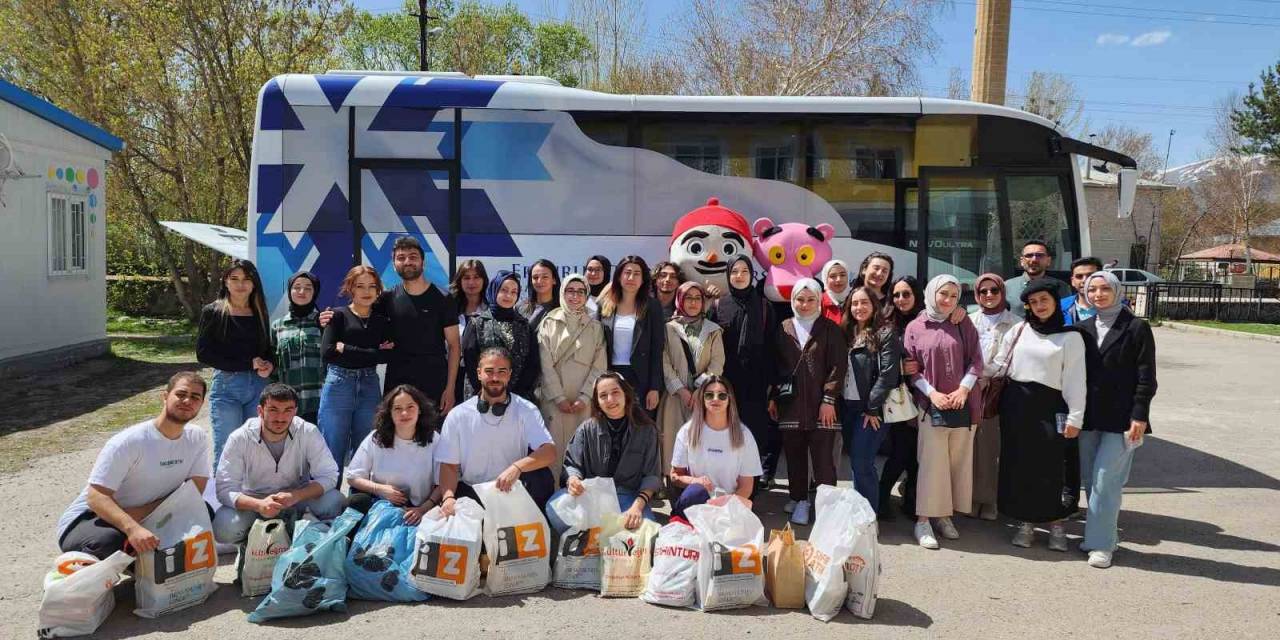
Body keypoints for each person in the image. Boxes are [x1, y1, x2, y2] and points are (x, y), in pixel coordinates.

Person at [57, 372, 212, 559]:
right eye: (181, 394)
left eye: (195, 397)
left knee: (204, 512)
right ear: (165, 396)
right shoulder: (130, 441)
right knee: (108, 541)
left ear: (201, 404)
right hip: (94, 518)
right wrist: (133, 527)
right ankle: (78, 572)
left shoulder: (197, 438)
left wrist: (142, 514)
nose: (187, 400)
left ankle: (144, 568)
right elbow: (96, 497)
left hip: (144, 514)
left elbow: (194, 489)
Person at [993, 279, 1089, 552]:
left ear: (1055, 302)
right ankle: (1026, 523)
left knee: (1052, 466)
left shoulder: (1071, 337)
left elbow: (1075, 381)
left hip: (1051, 407)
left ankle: (1056, 524)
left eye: (1044, 300)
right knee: (1020, 465)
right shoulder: (1019, 330)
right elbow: (999, 365)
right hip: (1017, 407)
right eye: (1033, 303)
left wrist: (1075, 418)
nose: (1039, 306)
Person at [1077, 271, 1157, 568]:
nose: (1098, 294)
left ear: (1116, 291)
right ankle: (1103, 534)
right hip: (1087, 416)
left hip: (1123, 418)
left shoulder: (1136, 328)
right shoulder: (1081, 328)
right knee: (1090, 479)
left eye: (1104, 289)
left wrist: (1140, 415)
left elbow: (1146, 376)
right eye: (1092, 289)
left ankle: (1100, 545)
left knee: (1105, 480)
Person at [903, 274, 983, 549]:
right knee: (931, 466)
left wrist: (963, 390)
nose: (948, 300)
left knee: (955, 464)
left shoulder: (963, 322)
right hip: (930, 407)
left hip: (963, 406)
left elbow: (976, 361)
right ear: (931, 293)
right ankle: (923, 520)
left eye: (953, 296)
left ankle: (944, 516)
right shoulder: (916, 326)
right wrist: (933, 393)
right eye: (943, 294)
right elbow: (912, 369)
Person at [213, 384, 344, 544]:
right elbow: (224, 489)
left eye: (288, 410)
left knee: (336, 501)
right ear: (260, 411)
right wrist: (259, 505)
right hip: (255, 502)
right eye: (273, 410)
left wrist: (296, 496)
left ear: (295, 411)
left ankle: (293, 532)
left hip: (295, 498)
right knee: (223, 528)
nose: (280, 418)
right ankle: (253, 545)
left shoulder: (308, 431)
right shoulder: (240, 437)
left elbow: (329, 475)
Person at [437, 347, 558, 512]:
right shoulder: (458, 415)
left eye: (501, 371)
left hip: (512, 491)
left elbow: (549, 452)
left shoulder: (526, 409)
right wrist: (448, 498)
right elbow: (449, 466)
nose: (495, 377)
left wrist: (517, 467)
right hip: (473, 495)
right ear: (479, 373)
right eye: (489, 371)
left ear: (509, 375)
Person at [768, 278, 847, 526]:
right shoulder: (783, 328)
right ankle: (800, 499)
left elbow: (838, 366)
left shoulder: (829, 329)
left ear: (818, 301)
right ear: (792, 301)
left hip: (821, 406)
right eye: (800, 299)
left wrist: (828, 400)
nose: (804, 304)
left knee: (823, 459)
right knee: (794, 455)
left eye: (811, 299)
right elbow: (776, 367)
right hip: (790, 404)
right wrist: (773, 397)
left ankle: (827, 507)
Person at [547, 373, 662, 532]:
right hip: (591, 495)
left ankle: (598, 533)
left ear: (626, 395)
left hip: (629, 497)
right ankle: (591, 537)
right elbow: (572, 464)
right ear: (597, 403)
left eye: (615, 392)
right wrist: (573, 479)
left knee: (647, 530)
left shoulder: (647, 430)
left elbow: (652, 476)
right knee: (554, 507)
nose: (610, 399)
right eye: (603, 395)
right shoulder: (586, 429)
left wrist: (637, 507)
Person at [318, 265, 394, 474]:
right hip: (339, 383)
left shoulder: (381, 321)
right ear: (350, 288)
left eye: (372, 286)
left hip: (369, 383)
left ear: (378, 289)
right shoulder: (337, 316)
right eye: (360, 286)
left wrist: (347, 348)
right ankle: (330, 499)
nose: (366, 291)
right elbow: (328, 352)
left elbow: (387, 355)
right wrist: (372, 352)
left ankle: (358, 498)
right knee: (333, 443)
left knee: (366, 444)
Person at [198, 259, 274, 466]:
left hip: (258, 386)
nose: (241, 284)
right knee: (227, 447)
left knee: (256, 446)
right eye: (235, 279)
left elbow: (266, 349)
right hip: (226, 387)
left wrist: (269, 364)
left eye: (246, 279)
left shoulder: (259, 311)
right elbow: (204, 354)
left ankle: (252, 496)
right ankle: (222, 498)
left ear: (254, 283)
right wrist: (247, 363)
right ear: (225, 282)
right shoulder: (213, 312)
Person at [711, 256, 779, 487]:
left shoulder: (764, 306)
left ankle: (750, 486)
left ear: (751, 275)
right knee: (724, 433)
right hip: (726, 383)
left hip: (756, 385)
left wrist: (772, 388)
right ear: (728, 276)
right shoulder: (719, 305)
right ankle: (725, 482)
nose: (739, 276)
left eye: (744, 271)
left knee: (753, 436)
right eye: (734, 272)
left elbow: (772, 348)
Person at [376, 236, 461, 413]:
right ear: (394, 265)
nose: (407, 262)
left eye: (413, 257)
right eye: (401, 258)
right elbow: (361, 320)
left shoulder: (444, 298)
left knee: (432, 439)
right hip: (397, 384)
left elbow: (454, 346)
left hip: (434, 383)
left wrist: (450, 388)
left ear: (423, 262)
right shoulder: (386, 299)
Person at [536, 274, 608, 480]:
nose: (575, 296)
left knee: (582, 451)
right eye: (570, 291)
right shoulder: (549, 322)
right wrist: (558, 397)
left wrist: (585, 397)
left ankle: (578, 498)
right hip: (554, 400)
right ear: (562, 293)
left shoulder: (595, 327)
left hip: (582, 401)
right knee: (553, 449)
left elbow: (599, 365)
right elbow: (544, 363)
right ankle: (552, 496)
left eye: (580, 291)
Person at [345, 385, 445, 525]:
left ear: (420, 409)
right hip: (379, 504)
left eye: (410, 407)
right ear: (389, 413)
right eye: (397, 408)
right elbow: (352, 477)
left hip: (416, 509)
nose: (404, 413)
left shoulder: (434, 439)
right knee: (356, 501)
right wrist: (380, 489)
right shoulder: (376, 438)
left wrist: (423, 509)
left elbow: (443, 483)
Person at [840, 286, 900, 512]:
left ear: (875, 305)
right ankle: (860, 511)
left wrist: (872, 408)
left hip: (871, 410)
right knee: (857, 462)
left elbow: (887, 375)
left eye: (864, 302)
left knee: (862, 461)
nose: (859, 307)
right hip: (848, 406)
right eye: (854, 303)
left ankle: (869, 517)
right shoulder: (846, 331)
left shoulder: (885, 333)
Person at [669, 377, 762, 520]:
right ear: (702, 398)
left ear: (729, 399)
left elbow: (746, 486)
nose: (715, 399)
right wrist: (696, 481)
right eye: (709, 395)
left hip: (729, 506)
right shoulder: (687, 431)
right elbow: (675, 476)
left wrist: (725, 507)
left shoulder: (744, 435)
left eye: (722, 395)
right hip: (697, 503)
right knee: (695, 491)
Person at [659, 281, 726, 476]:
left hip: (703, 396)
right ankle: (672, 484)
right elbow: (663, 361)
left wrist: (699, 389)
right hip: (674, 395)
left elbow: (717, 362)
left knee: (700, 441)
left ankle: (699, 484)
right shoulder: (668, 328)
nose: (694, 303)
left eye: (698, 298)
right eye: (688, 298)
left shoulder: (713, 330)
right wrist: (681, 390)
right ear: (680, 300)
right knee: (672, 441)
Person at [968, 273, 1020, 521]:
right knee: (970, 448)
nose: (988, 295)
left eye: (994, 290)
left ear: (1002, 292)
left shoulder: (1017, 324)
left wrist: (978, 373)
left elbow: (1006, 360)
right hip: (968, 390)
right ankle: (969, 497)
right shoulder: (968, 320)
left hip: (997, 392)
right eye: (983, 291)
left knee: (991, 448)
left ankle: (988, 500)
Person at [878, 275, 924, 519]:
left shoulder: (927, 321)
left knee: (918, 455)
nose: (901, 299)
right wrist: (899, 367)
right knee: (900, 451)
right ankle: (882, 498)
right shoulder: (887, 323)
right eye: (896, 294)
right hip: (898, 398)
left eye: (906, 294)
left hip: (924, 395)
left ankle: (911, 500)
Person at [598, 255, 666, 415]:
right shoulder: (605, 305)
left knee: (639, 427)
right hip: (611, 375)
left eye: (637, 273)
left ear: (643, 279)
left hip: (640, 379)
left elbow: (657, 349)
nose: (631, 277)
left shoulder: (652, 306)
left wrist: (654, 387)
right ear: (619, 276)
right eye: (627, 272)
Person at [462, 270, 538, 400]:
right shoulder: (477, 323)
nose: (509, 295)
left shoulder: (524, 325)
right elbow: (470, 361)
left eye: (514, 292)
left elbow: (532, 363)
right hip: (482, 395)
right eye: (504, 290)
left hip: (518, 398)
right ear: (494, 290)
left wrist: (514, 394)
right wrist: (486, 392)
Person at [271, 271, 324, 424]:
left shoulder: (324, 323)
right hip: (287, 406)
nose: (302, 292)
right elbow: (274, 365)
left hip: (319, 404)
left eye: (308, 288)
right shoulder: (278, 326)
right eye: (297, 287)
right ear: (289, 291)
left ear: (315, 293)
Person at [450, 259, 490, 407]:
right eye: (466, 278)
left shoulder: (490, 310)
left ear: (484, 280)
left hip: (481, 376)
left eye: (476, 277)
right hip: (453, 374)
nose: (471, 282)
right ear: (459, 281)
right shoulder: (449, 309)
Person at [1004, 239, 1073, 316]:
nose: (1034, 260)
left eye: (1039, 255)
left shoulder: (1061, 287)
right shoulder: (1007, 287)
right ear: (1022, 261)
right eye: (1029, 256)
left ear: (1048, 261)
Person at [522, 258, 562, 335]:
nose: (539, 281)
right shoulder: (521, 307)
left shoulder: (563, 309)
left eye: (545, 277)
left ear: (554, 280)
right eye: (535, 277)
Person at [1062, 257, 1103, 326]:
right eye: (1079, 276)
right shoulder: (1059, 306)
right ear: (1072, 281)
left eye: (1090, 275)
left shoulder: (1116, 308)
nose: (1084, 280)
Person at [819, 259, 851, 324]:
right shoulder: (818, 301)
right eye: (833, 276)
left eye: (842, 275)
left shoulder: (855, 299)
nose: (838, 279)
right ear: (825, 279)